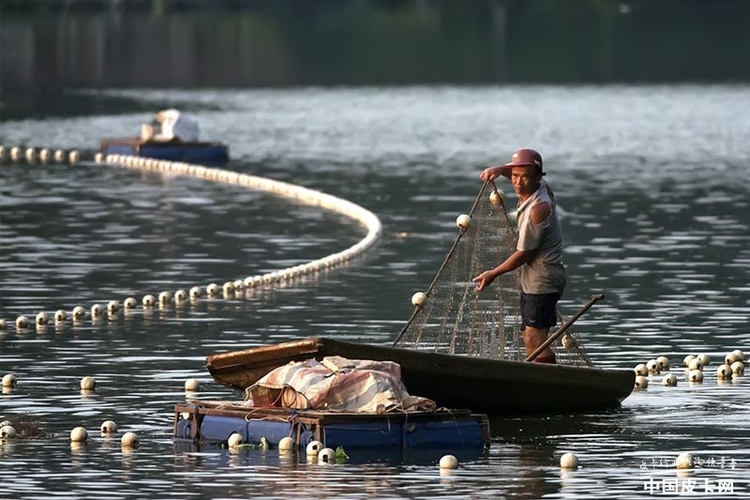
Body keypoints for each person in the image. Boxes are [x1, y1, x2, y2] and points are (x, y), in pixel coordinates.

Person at [472, 148, 566, 364]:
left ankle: (547, 384)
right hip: (533, 279)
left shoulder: (538, 208)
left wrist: (493, 273)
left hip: (543, 280)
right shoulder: (542, 189)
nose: (518, 183)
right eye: (514, 177)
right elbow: (519, 173)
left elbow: (525, 253)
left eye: (525, 177)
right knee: (530, 337)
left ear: (538, 178)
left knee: (534, 338)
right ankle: (541, 380)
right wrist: (500, 170)